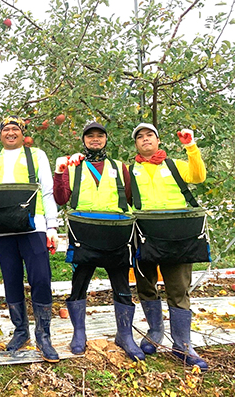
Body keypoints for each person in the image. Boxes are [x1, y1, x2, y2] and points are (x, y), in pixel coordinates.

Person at [53, 122, 145, 361]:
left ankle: (125, 335)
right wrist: (59, 172)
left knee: (122, 284)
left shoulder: (119, 166)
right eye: (90, 136)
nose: (95, 140)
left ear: (106, 139)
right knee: (79, 282)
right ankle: (79, 333)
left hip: (114, 233)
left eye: (100, 136)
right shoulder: (74, 167)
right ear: (83, 140)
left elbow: (130, 198)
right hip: (84, 233)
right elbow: (61, 198)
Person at [0, 115, 60, 362]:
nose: (10, 133)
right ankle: (21, 330)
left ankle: (43, 335)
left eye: (15, 129)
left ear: (23, 134)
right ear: (0, 134)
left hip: (34, 227)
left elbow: (47, 190)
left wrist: (52, 226)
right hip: (3, 231)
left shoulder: (37, 155)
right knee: (11, 281)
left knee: (41, 279)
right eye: (6, 129)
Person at [130, 123, 208, 370]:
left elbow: (198, 177)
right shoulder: (129, 171)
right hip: (145, 235)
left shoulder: (174, 165)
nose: (145, 140)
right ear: (136, 144)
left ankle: (182, 345)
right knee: (146, 286)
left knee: (178, 289)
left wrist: (190, 147)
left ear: (158, 140)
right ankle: (154, 332)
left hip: (177, 236)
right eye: (140, 137)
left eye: (149, 135)